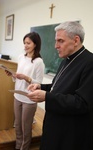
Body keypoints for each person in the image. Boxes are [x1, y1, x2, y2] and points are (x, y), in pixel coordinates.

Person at [27, 21, 93, 150]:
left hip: (70, 132)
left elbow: (82, 103)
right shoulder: (66, 60)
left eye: (60, 41)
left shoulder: (90, 62)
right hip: (55, 124)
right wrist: (40, 87)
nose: (56, 46)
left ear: (76, 40)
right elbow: (58, 86)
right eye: (56, 41)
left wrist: (47, 97)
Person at [5, 32, 45, 150]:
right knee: (17, 125)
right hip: (17, 95)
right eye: (24, 43)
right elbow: (17, 76)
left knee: (25, 127)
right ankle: (18, 147)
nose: (25, 45)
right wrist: (12, 75)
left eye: (28, 43)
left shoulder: (38, 62)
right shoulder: (21, 57)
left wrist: (26, 78)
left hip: (29, 98)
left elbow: (39, 84)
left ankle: (24, 148)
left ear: (35, 44)